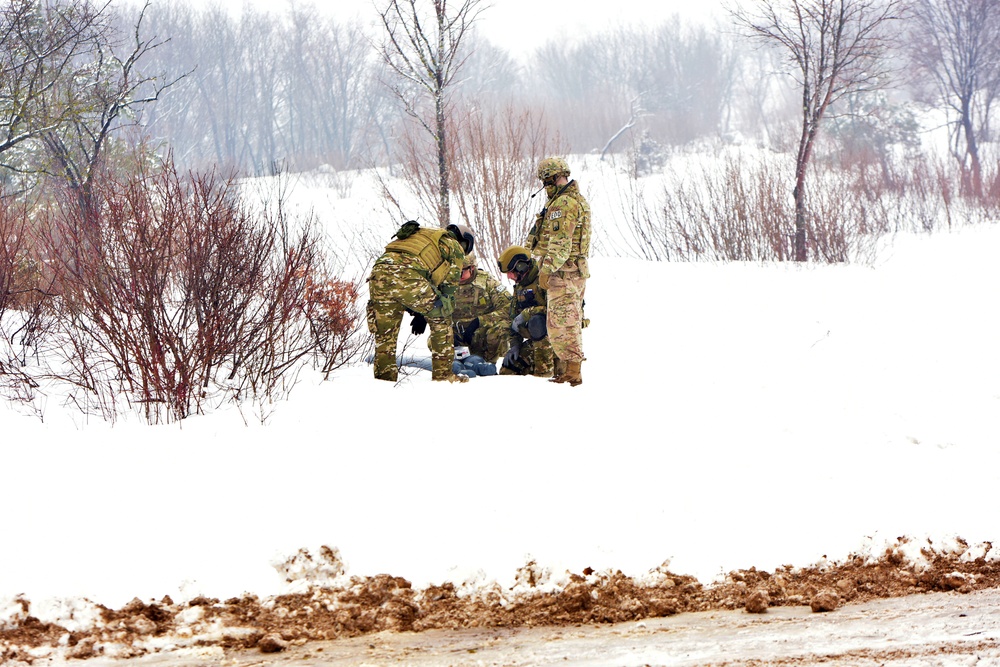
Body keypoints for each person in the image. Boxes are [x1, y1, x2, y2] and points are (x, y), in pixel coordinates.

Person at [366, 220, 474, 383]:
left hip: (379, 274)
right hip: (409, 277)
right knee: (442, 317)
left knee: (385, 333)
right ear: (464, 241)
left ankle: (384, 379)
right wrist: (434, 309)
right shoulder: (454, 245)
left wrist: (420, 312)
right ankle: (444, 377)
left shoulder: (422, 235)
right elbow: (448, 288)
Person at [525, 157, 590, 386]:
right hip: (571, 272)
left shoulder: (563, 203)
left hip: (564, 273)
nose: (545, 186)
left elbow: (560, 244)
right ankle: (569, 371)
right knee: (567, 322)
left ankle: (572, 373)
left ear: (552, 177)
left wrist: (545, 269)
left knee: (561, 325)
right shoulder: (573, 200)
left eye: (546, 180)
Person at [496, 245, 553, 378]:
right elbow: (513, 318)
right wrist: (515, 345)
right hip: (534, 343)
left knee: (537, 322)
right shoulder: (521, 286)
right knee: (507, 371)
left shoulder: (546, 279)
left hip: (556, 342)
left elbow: (558, 313)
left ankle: (544, 374)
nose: (509, 277)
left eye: (511, 271)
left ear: (521, 266)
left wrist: (527, 313)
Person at [451, 252, 512, 366]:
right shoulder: (447, 281)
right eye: (454, 271)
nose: (456, 275)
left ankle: (488, 364)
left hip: (481, 335)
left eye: (461, 271)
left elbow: (508, 307)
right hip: (457, 335)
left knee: (497, 331)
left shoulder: (486, 282)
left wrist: (480, 321)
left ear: (472, 268)